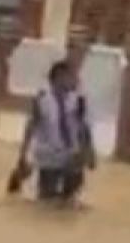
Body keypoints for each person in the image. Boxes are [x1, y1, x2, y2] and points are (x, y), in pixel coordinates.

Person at [9, 60, 94, 204]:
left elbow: (83, 128)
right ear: (58, 78)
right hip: (48, 155)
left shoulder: (78, 101)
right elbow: (31, 127)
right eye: (70, 76)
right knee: (47, 198)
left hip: (72, 154)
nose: (75, 80)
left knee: (71, 196)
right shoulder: (42, 100)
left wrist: (89, 153)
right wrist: (23, 155)